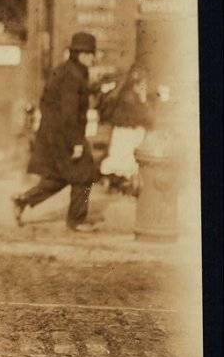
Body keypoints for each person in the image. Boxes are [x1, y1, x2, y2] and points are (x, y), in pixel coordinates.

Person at [11, 32, 100, 232]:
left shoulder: (67, 71)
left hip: (53, 134)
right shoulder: (73, 77)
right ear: (81, 54)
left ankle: (22, 200)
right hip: (64, 135)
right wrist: (76, 142)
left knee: (59, 177)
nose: (92, 58)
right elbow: (69, 114)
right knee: (84, 174)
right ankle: (76, 221)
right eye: (89, 53)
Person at [99, 66, 153, 195]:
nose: (144, 86)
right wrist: (144, 100)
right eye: (142, 83)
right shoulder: (130, 98)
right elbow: (147, 118)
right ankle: (127, 186)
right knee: (127, 161)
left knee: (122, 161)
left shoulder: (128, 95)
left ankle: (119, 184)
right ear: (135, 84)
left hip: (125, 134)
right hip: (128, 135)